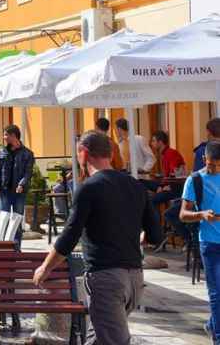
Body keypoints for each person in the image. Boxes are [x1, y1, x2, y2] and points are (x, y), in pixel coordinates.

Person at [35, 131, 162, 344]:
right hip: (135, 280)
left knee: (113, 340)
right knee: (98, 337)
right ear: (110, 154)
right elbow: (156, 235)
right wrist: (136, 236)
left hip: (107, 279)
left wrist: (45, 268)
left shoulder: (89, 188)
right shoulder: (136, 186)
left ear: (84, 154)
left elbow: (69, 235)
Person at [181, 139, 220, 344]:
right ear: (204, 159)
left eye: (217, 165)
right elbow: (183, 214)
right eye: (210, 164)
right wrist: (202, 214)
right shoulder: (195, 180)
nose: (213, 168)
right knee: (216, 292)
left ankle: (213, 324)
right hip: (209, 243)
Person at [0, 125, 34, 247]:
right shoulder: (2, 152)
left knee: (16, 221)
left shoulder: (28, 154)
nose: (4, 137)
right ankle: (0, 247)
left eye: (6, 135)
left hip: (19, 193)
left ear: (13, 136)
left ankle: (16, 248)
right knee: (3, 219)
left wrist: (22, 184)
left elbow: (28, 173)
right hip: (5, 192)